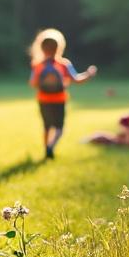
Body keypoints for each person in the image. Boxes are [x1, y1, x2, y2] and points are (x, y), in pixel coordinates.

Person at [28, 28, 97, 160]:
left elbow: (33, 83)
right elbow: (77, 79)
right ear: (59, 47)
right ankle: (51, 146)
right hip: (59, 100)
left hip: (43, 100)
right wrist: (89, 73)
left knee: (47, 126)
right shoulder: (63, 64)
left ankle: (46, 148)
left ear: (41, 48)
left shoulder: (38, 65)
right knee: (59, 127)